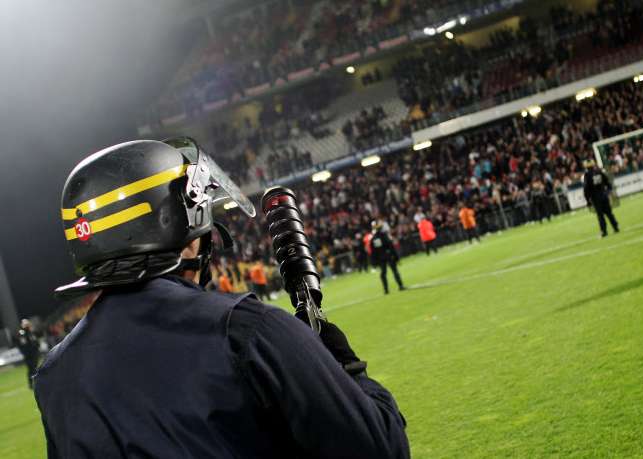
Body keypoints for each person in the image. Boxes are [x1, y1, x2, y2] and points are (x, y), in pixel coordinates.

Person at [35, 138, 409, 458]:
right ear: (185, 222)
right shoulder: (249, 331)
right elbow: (380, 448)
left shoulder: (54, 376)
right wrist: (347, 371)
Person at [583, 159, 619, 237]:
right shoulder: (598, 171)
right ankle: (615, 227)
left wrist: (587, 200)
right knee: (609, 213)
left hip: (596, 198)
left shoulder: (587, 175)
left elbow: (586, 189)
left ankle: (604, 231)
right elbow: (607, 181)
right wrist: (609, 190)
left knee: (600, 215)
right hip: (604, 195)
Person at [370, 220, 405, 294]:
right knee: (394, 271)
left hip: (381, 258)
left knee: (383, 273)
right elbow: (391, 246)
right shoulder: (384, 235)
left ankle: (386, 290)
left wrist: (374, 263)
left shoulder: (373, 239)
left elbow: (373, 252)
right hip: (389, 255)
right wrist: (396, 257)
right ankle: (400, 285)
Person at [14, 319, 40, 389]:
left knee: (35, 368)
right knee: (31, 369)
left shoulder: (31, 332)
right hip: (28, 354)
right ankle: (31, 384)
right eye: (26, 325)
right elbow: (22, 344)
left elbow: (36, 340)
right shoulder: (22, 333)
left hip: (34, 353)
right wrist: (25, 352)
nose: (28, 326)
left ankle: (37, 382)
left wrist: (37, 348)